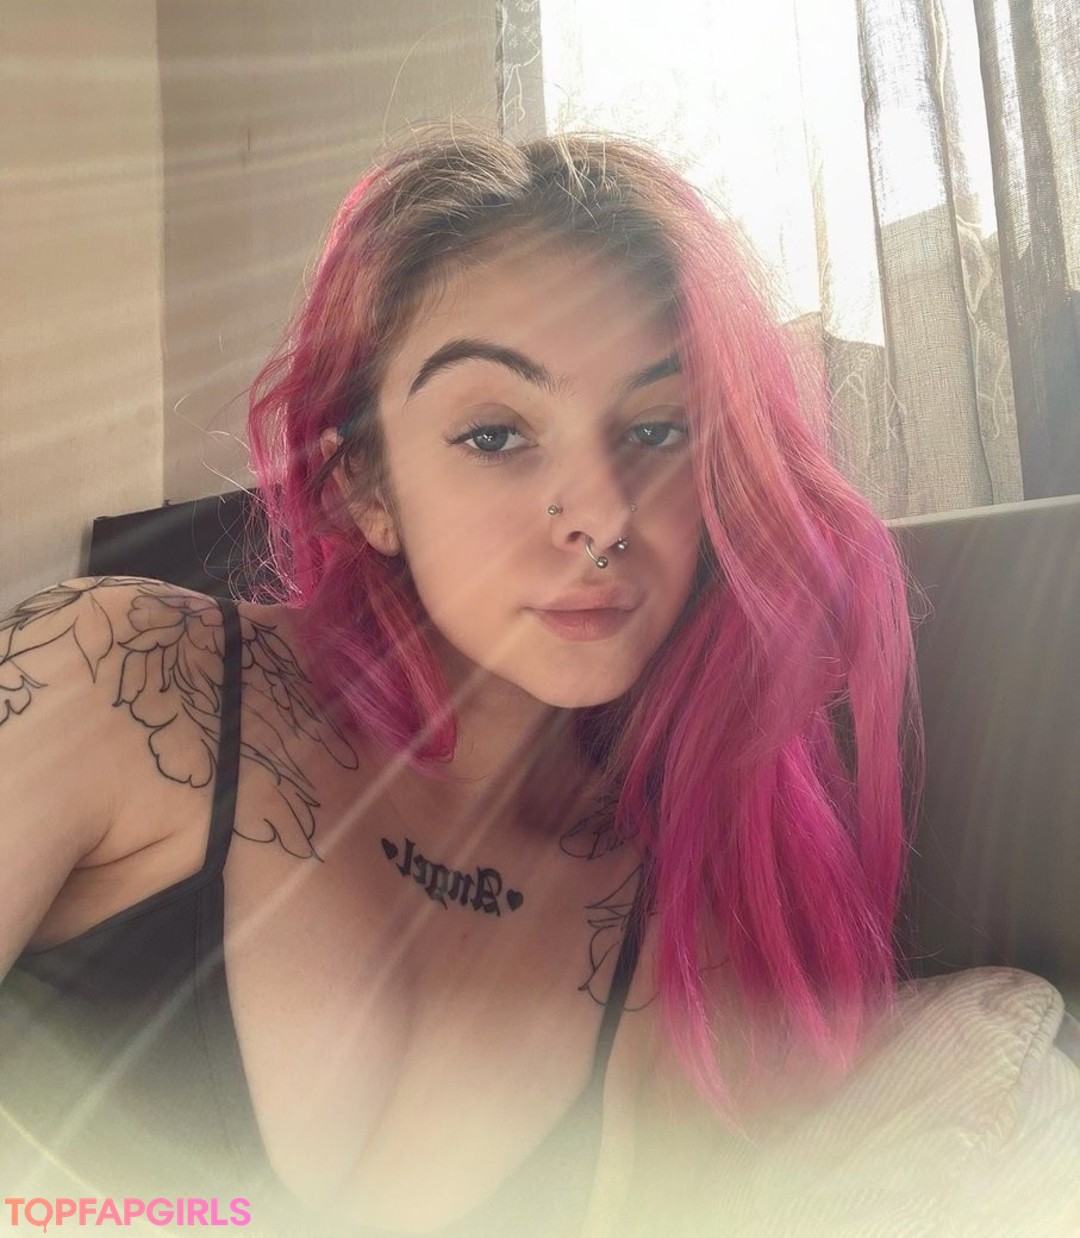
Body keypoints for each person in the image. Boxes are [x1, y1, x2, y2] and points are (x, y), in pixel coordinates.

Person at [1, 124, 1076, 1237]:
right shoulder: (117, 676)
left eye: (656, 427)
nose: (602, 515)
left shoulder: (680, 943)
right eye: (496, 434)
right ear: (365, 484)